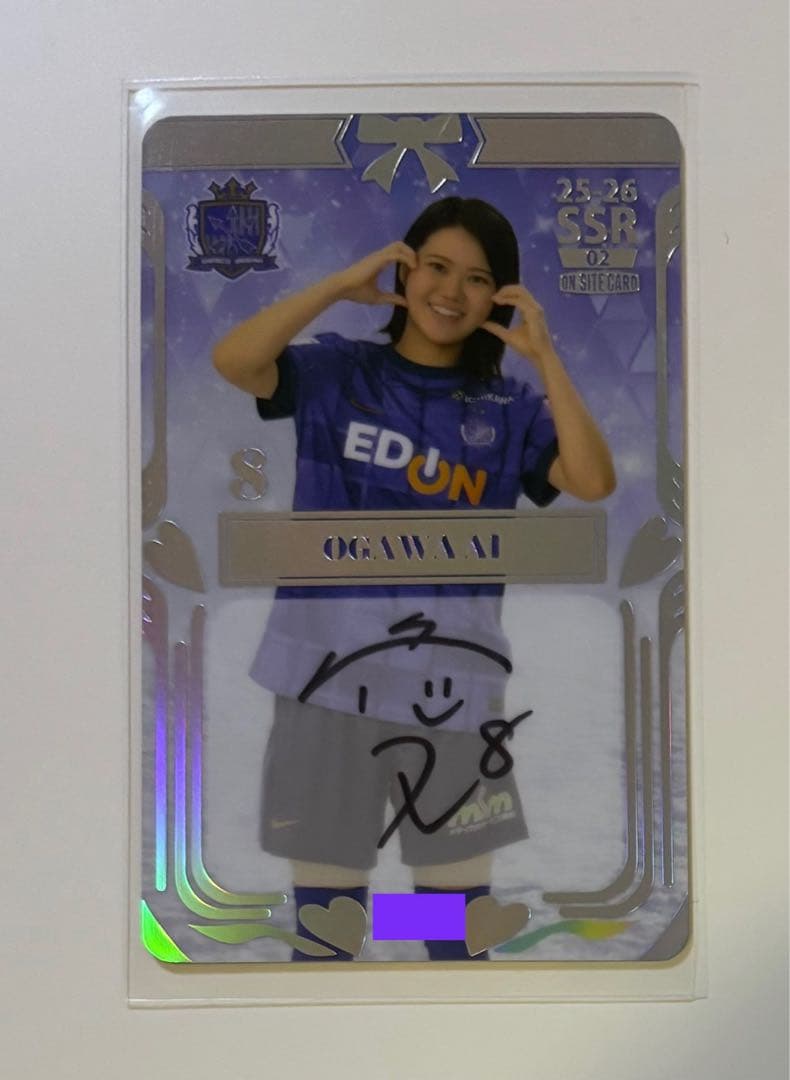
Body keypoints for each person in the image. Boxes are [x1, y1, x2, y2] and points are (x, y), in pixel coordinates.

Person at [213, 196, 615, 961]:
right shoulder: (337, 370)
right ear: (405, 270)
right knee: (326, 937)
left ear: (499, 297)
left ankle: (404, 937)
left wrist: (547, 360)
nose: (451, 291)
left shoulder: (511, 407)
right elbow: (235, 361)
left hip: (452, 694)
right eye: (436, 267)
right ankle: (362, 941)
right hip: (323, 684)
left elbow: (593, 481)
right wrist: (338, 287)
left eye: (477, 278)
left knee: (454, 937)